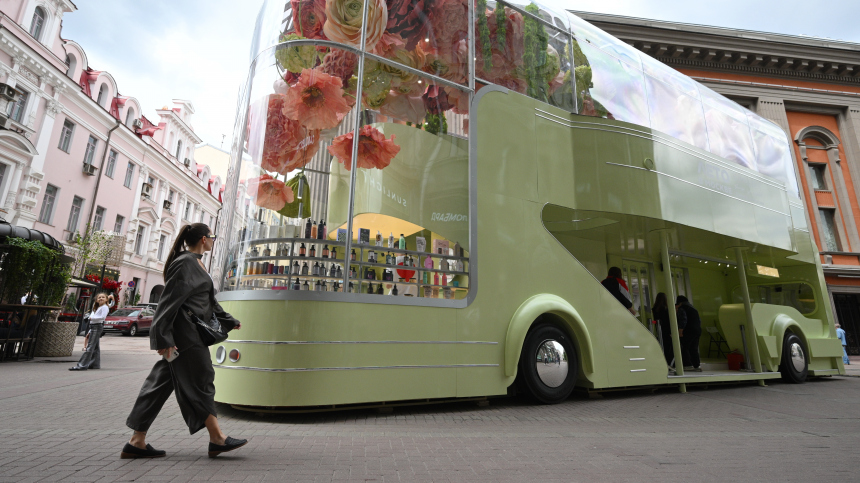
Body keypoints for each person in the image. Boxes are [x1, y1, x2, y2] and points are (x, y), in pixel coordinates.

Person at [122, 223, 247, 459]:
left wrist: (228, 320)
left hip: (186, 335)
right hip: (184, 337)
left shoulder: (197, 262)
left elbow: (205, 301)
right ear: (203, 239)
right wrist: (163, 338)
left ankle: (136, 441)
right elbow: (168, 302)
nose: (213, 240)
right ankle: (217, 438)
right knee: (202, 379)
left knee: (159, 385)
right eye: (212, 237)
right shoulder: (186, 262)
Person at [69, 293, 109, 371]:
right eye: (99, 297)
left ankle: (82, 365)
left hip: (97, 326)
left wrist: (92, 318)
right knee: (95, 347)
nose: (101, 298)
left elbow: (103, 317)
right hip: (94, 326)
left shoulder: (105, 307)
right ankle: (94, 364)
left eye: (103, 297)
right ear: (96, 300)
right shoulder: (98, 307)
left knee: (90, 346)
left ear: (106, 299)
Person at [676, 295, 702, 372]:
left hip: (688, 330)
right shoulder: (693, 309)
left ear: (680, 303)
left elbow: (683, 320)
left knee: (685, 347)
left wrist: (680, 331)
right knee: (694, 348)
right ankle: (697, 365)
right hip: (697, 330)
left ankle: (687, 364)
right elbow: (699, 321)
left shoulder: (682, 308)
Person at [653, 293, 674, 367]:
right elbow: (668, 321)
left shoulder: (654, 309)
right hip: (667, 331)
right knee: (669, 348)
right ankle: (668, 363)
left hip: (659, 330)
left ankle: (661, 362)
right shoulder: (666, 309)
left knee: (662, 346)